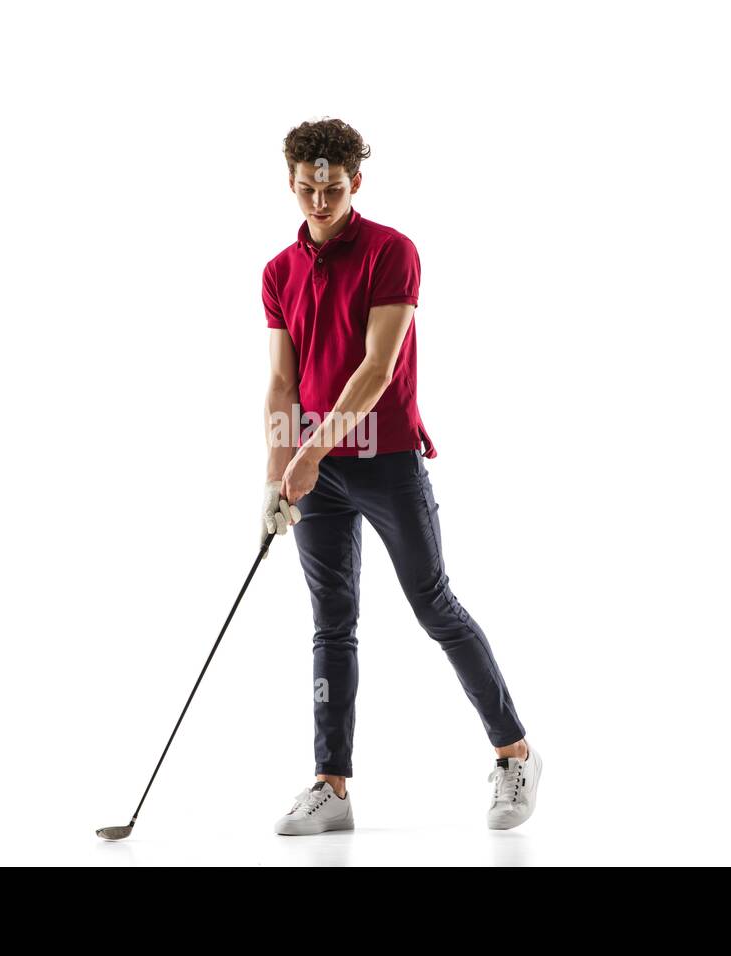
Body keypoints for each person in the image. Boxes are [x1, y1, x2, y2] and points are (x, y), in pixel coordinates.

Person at [260, 117, 540, 835]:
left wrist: (309, 454)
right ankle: (333, 785)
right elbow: (281, 382)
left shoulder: (393, 252)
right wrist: (275, 472)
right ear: (291, 182)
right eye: (304, 189)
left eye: (330, 188)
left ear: (355, 181)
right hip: (312, 470)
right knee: (332, 625)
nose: (317, 203)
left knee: (432, 604)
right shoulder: (278, 272)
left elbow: (377, 370)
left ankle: (514, 753)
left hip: (384, 460)